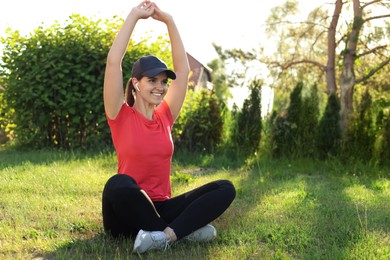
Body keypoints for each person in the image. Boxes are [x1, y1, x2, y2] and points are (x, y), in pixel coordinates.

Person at [102, 0, 236, 254]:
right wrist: (133, 16)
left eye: (163, 82)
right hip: (125, 214)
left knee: (225, 188)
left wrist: (169, 21)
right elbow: (113, 62)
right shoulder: (119, 113)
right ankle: (182, 231)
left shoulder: (165, 116)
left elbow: (183, 72)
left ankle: (166, 236)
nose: (160, 87)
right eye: (152, 80)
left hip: (160, 207)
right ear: (136, 83)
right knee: (118, 184)